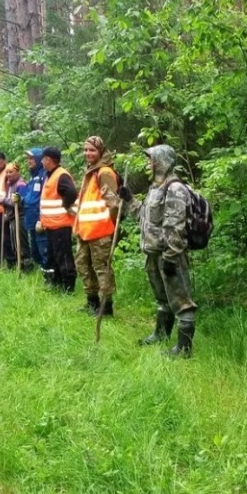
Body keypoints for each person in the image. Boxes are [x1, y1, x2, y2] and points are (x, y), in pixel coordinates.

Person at [136, 144, 197, 358]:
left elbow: (175, 225)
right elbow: (145, 218)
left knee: (181, 301)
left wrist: (171, 257)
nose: (148, 163)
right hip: (153, 253)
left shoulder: (175, 188)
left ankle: (184, 349)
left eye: (151, 159)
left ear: (162, 161)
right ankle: (160, 334)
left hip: (169, 254)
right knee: (162, 298)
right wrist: (126, 201)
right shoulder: (155, 187)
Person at [74, 136, 123, 316]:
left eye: (92, 150)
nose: (88, 153)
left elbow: (113, 204)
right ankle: (92, 302)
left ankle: (106, 307)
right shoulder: (90, 170)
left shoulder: (104, 172)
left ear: (100, 151)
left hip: (100, 231)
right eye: (86, 150)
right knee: (83, 266)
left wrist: (110, 228)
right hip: (85, 230)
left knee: (102, 269)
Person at [39, 147, 78, 293]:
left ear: (48, 160)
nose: (42, 162)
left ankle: (69, 287)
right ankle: (57, 282)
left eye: (43, 159)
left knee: (63, 256)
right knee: (54, 256)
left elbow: (72, 192)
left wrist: (66, 206)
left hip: (61, 224)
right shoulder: (50, 174)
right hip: (51, 224)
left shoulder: (61, 175)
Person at [0, 162, 31, 271]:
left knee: (21, 242)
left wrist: (4, 200)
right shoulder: (10, 184)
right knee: (14, 243)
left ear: (17, 171)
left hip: (20, 217)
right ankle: (19, 264)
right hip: (12, 217)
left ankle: (26, 266)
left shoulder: (20, 184)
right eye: (7, 172)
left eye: (11, 172)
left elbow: (18, 202)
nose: (8, 174)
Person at [22, 148, 49, 269]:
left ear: (39, 159)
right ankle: (43, 273)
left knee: (44, 249)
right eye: (28, 158)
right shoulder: (32, 178)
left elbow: (45, 199)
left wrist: (41, 218)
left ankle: (50, 276)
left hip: (40, 220)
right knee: (35, 251)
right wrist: (21, 199)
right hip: (31, 220)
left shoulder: (44, 175)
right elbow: (29, 197)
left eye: (31, 158)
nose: (29, 161)